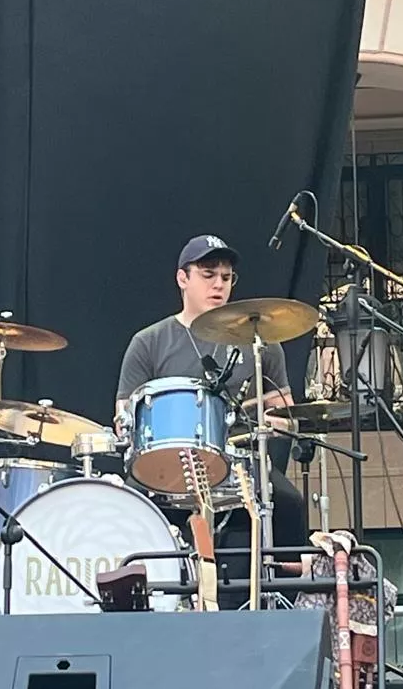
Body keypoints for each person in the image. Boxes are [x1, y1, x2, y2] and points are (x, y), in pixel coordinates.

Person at [116, 235, 310, 599]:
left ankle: (291, 601)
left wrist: (264, 420)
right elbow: (123, 417)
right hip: (167, 462)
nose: (219, 284)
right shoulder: (150, 341)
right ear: (182, 278)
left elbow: (286, 413)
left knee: (289, 503)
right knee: (127, 504)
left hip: (239, 462)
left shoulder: (260, 343)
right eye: (208, 275)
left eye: (226, 277)